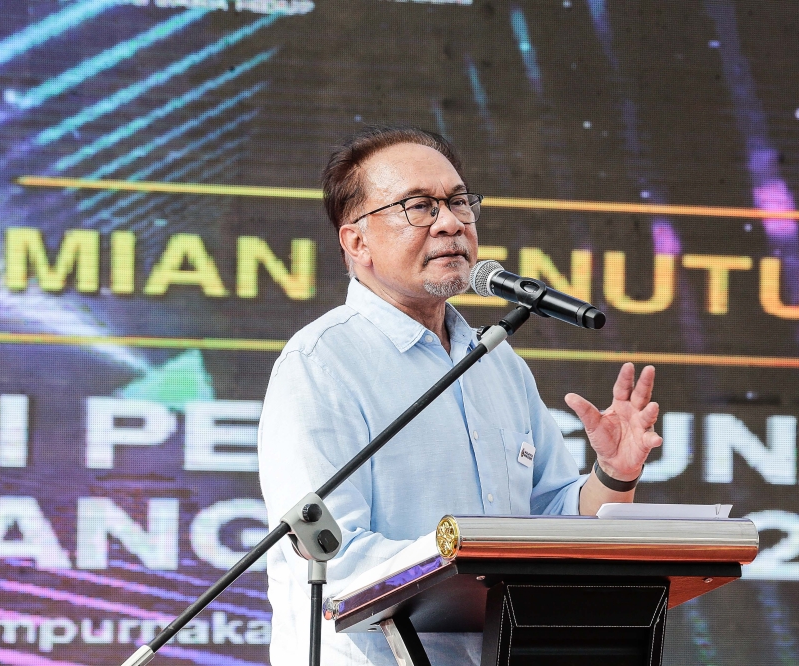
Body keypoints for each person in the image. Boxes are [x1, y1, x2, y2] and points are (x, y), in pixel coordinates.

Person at [257, 126, 662, 666]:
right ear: (357, 242)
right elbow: (332, 559)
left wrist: (614, 473)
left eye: (457, 202)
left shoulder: (496, 361)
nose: (450, 222)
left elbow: (557, 521)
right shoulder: (321, 364)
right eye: (418, 206)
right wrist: (478, 563)